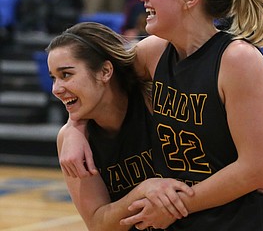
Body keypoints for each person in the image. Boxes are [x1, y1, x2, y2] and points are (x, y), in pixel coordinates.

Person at [60, 0, 263, 230]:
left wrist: (176, 207)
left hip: (236, 222)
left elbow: (254, 170)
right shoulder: (153, 52)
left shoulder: (238, 60)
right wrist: (73, 129)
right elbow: (97, 86)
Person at [47, 21, 195, 230]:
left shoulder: (152, 98)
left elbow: (179, 39)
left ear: (105, 71)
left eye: (66, 75)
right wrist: (143, 190)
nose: (56, 89)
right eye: (53, 78)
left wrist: (74, 125)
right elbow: (98, 224)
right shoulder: (70, 140)